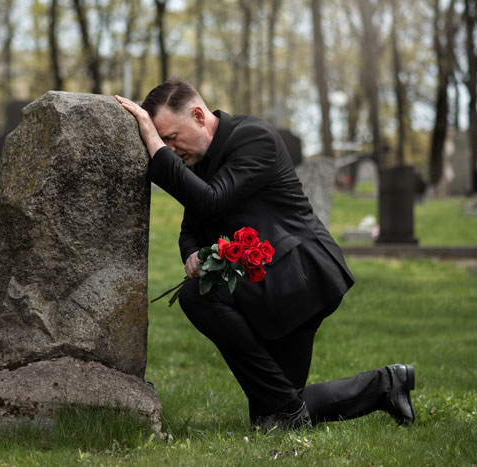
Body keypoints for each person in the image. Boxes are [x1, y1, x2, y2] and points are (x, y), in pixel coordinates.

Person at [115, 79, 416, 431]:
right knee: (274, 414)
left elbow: (212, 199)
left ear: (198, 115)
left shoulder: (253, 137)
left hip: (299, 275)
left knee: (197, 297)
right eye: (162, 140)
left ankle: (354, 393)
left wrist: (154, 144)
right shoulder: (198, 161)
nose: (169, 147)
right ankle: (387, 385)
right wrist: (193, 252)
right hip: (265, 284)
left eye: (171, 138)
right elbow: (191, 226)